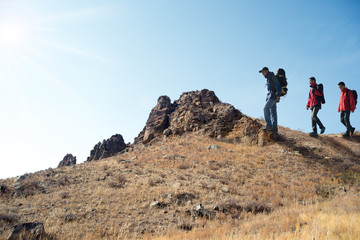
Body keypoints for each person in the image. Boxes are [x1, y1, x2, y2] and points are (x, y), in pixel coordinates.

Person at [259, 67, 281, 133]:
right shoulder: (268, 78)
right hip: (271, 96)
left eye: (263, 72)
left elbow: (278, 85)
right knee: (273, 112)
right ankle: (274, 128)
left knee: (265, 108)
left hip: (273, 96)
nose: (262, 73)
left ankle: (269, 125)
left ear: (267, 71)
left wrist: (278, 95)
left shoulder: (272, 76)